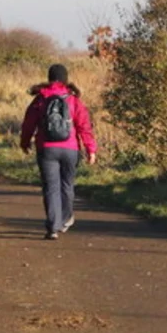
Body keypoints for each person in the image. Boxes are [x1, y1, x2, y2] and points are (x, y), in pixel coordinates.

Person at [19, 64, 97, 239]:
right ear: (65, 79)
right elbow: (84, 126)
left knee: (51, 187)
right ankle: (66, 218)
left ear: (49, 78)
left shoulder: (40, 99)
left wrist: (25, 142)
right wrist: (90, 149)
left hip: (46, 148)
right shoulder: (73, 99)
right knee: (67, 185)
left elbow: (28, 123)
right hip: (70, 149)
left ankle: (53, 227)